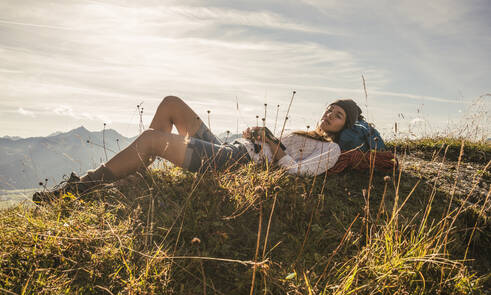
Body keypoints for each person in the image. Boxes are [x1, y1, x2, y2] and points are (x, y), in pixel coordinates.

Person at [32, 96, 364, 203]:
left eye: (338, 116)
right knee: (172, 103)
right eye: (330, 109)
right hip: (233, 148)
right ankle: (140, 164)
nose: (329, 115)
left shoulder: (331, 151)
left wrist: (272, 143)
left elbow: (296, 170)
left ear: (343, 126)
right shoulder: (305, 132)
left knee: (150, 138)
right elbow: (271, 148)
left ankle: (79, 188)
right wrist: (258, 134)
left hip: (234, 162)